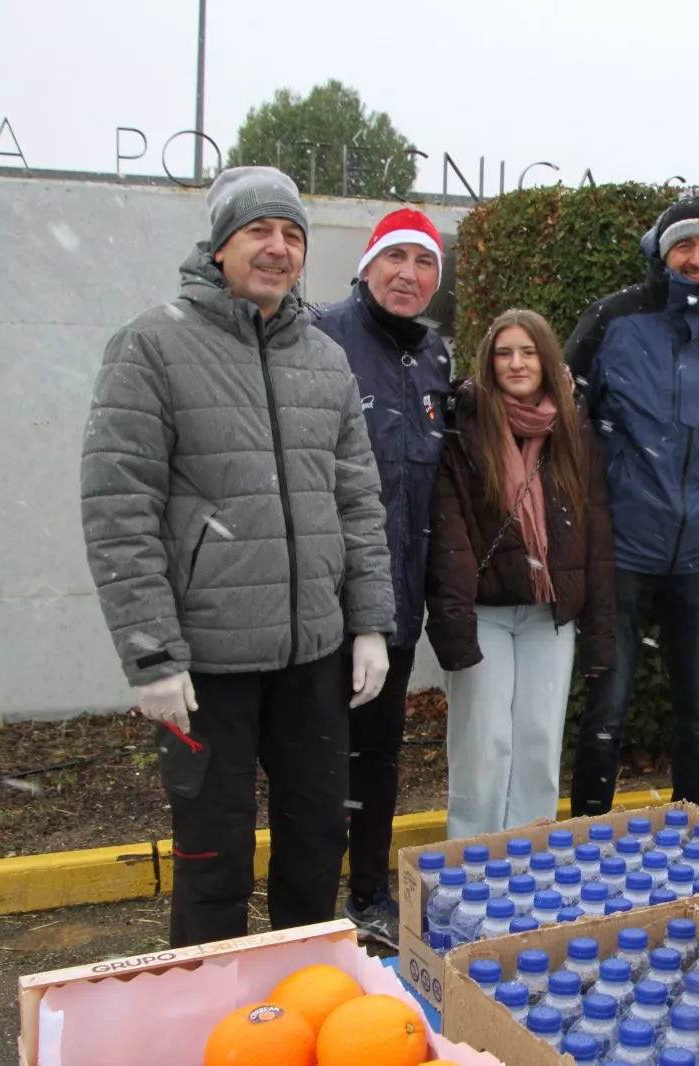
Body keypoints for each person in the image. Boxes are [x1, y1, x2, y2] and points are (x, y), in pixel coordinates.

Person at [80, 166, 394, 947]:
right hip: (207, 666)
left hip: (312, 657)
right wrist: (151, 655)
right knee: (213, 856)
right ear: (220, 245)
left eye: (292, 235)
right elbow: (119, 509)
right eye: (259, 231)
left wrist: (368, 623)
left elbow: (357, 500)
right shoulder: (151, 347)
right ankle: (211, 1004)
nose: (278, 248)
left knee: (316, 842)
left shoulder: (324, 358)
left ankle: (301, 991)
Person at [564, 196, 699, 815]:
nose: (697, 259)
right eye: (684, 246)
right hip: (623, 547)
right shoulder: (614, 318)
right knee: (607, 707)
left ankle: (689, 830)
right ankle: (589, 835)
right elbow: (566, 413)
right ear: (660, 250)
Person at [312, 208, 450, 946]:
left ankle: (366, 896)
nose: (409, 274)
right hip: (320, 602)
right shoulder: (320, 337)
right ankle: (306, 911)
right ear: (367, 266)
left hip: (396, 603)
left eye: (424, 262)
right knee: (314, 763)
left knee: (376, 759)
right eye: (395, 257)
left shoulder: (434, 360)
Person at [426, 309, 615, 837]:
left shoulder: (573, 426)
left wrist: (600, 633)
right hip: (484, 610)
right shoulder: (463, 425)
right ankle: (471, 857)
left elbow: (595, 530)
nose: (516, 363)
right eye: (504, 353)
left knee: (538, 744)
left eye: (528, 352)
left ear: (546, 359)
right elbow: (450, 534)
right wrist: (454, 621)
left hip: (549, 615)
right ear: (488, 361)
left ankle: (528, 858)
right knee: (483, 745)